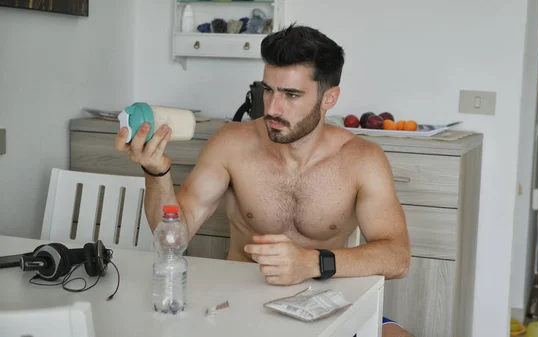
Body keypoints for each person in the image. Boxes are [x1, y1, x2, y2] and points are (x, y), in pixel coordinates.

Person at [115, 23, 413, 337]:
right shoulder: (232, 142)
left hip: (326, 305)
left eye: (291, 94)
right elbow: (176, 232)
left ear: (329, 98)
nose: (272, 107)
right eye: (268, 90)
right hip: (240, 304)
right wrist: (155, 172)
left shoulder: (362, 158)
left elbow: (397, 258)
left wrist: (312, 263)